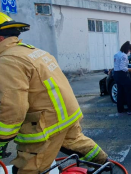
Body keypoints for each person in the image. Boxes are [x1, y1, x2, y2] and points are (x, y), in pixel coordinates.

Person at [0, 12, 108, 173]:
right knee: (78, 143)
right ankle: (106, 164)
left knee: (29, 168)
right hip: (67, 115)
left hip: (45, 125)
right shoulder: (34, 52)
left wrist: (2, 140)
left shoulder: (8, 61)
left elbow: (13, 108)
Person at [113, 41, 131, 115]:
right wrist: (130, 70)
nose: (130, 52)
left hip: (116, 74)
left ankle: (120, 109)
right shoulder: (124, 56)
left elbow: (117, 66)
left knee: (120, 92)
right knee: (129, 91)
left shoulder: (116, 54)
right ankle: (130, 109)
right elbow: (122, 67)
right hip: (123, 75)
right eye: (130, 50)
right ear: (127, 49)